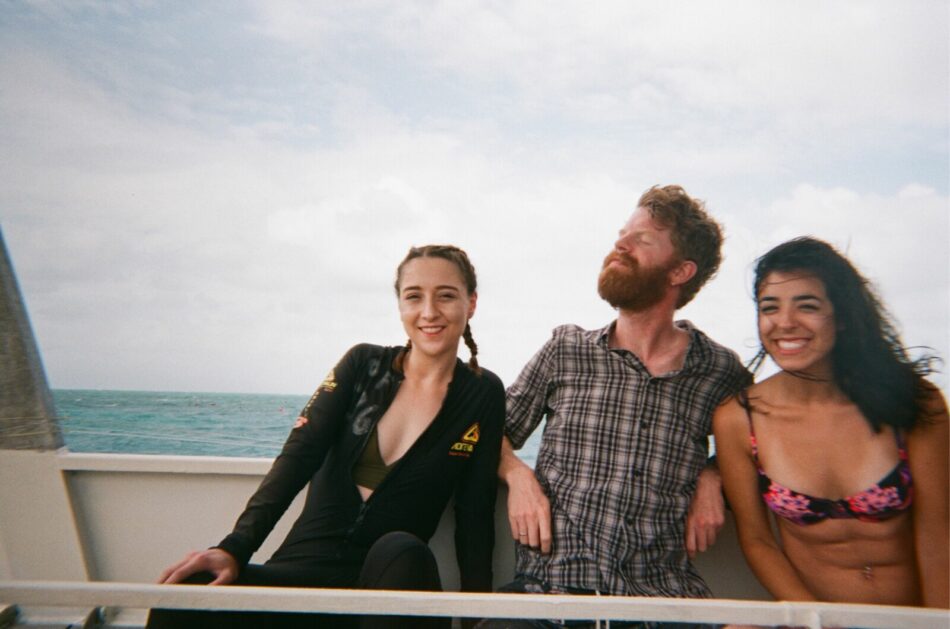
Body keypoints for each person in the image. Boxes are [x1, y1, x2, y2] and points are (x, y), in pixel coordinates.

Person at [148, 244, 506, 628]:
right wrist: (234, 549)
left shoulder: (482, 393)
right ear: (400, 305)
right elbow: (298, 457)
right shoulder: (362, 365)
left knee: (403, 549)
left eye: (446, 296)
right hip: (300, 583)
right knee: (188, 592)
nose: (429, 312)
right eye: (414, 296)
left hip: (383, 591)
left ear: (470, 304)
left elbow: (474, 513)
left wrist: (474, 620)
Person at [482, 185, 751, 628]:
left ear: (681, 271)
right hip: (550, 601)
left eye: (642, 240)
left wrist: (714, 473)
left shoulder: (718, 371)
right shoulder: (565, 349)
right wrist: (517, 474)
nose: (619, 245)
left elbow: (764, 439)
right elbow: (490, 431)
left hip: (663, 607)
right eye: (621, 235)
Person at [713, 237, 949, 609]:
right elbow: (759, 542)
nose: (785, 323)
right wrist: (815, 621)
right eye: (769, 308)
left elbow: (939, 536)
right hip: (817, 619)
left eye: (807, 306)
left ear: (841, 317)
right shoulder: (739, 419)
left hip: (915, 618)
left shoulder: (913, 403)